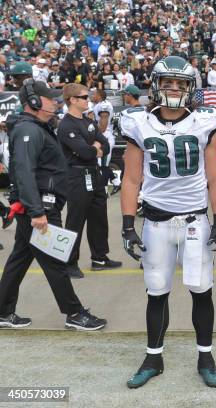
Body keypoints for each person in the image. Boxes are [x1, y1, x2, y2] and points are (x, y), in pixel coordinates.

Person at [120, 55, 216, 389]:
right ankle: (154, 357)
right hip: (156, 223)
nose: (174, 88)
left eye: (180, 83)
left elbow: (215, 176)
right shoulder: (139, 123)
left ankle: (205, 357)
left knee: (201, 292)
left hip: (195, 223)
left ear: (190, 88)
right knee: (157, 293)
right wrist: (127, 226)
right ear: (156, 85)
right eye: (168, 82)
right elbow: (130, 179)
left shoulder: (203, 122)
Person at [0, 80, 106, 330]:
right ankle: (74, 313)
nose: (55, 102)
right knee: (56, 262)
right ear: (35, 102)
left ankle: (3, 311)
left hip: (38, 206)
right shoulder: (30, 131)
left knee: (19, 260)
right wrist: (37, 211)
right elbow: (24, 172)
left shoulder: (35, 128)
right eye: (50, 99)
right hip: (40, 208)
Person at [57, 84, 122, 279]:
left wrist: (94, 147)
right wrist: (94, 147)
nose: (88, 99)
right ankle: (69, 263)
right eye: (84, 96)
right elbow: (85, 152)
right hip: (76, 176)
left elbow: (106, 145)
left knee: (99, 217)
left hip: (94, 174)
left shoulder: (88, 121)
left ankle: (99, 258)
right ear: (73, 100)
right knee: (75, 220)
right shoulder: (67, 125)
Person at [90, 88, 120, 195]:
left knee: (102, 166)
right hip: (102, 136)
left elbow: (102, 127)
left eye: (94, 94)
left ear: (99, 96)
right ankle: (116, 182)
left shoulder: (104, 105)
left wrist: (94, 135)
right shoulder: (98, 105)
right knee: (100, 165)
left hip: (105, 137)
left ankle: (103, 191)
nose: (91, 96)